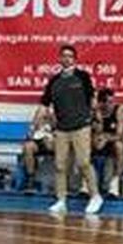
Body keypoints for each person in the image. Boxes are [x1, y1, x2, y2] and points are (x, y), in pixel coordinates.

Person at [46, 44, 102, 216]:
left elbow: (92, 100)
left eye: (70, 56)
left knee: (84, 162)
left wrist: (95, 120)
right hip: (62, 128)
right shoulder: (54, 80)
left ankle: (95, 196)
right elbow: (45, 104)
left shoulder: (83, 77)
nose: (66, 58)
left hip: (81, 126)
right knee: (60, 165)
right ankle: (61, 200)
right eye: (64, 55)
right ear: (59, 58)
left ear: (74, 59)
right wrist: (47, 122)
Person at [90, 87, 123, 198]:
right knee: (83, 144)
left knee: (119, 146)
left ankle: (117, 183)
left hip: (112, 141)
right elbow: (90, 132)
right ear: (101, 103)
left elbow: (120, 135)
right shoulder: (94, 112)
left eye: (112, 101)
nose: (111, 104)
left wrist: (106, 138)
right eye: (108, 102)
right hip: (97, 140)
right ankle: (85, 183)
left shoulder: (120, 111)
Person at [18, 88, 54, 193]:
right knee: (28, 147)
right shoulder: (41, 109)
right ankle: (31, 179)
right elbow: (33, 127)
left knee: (51, 144)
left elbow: (61, 127)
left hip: (57, 139)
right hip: (40, 137)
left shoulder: (65, 108)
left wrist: (51, 117)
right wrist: (32, 129)